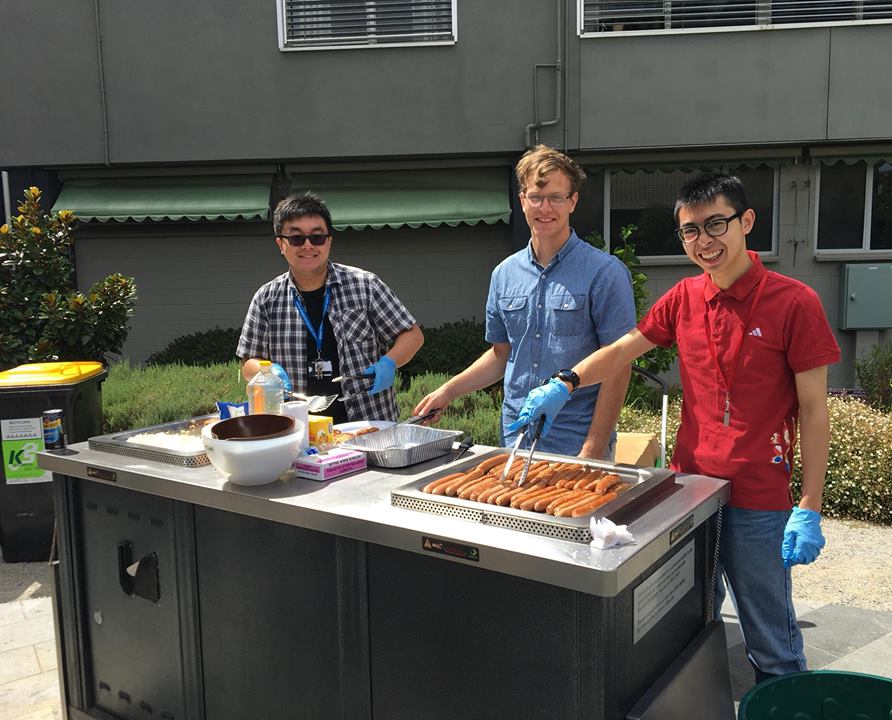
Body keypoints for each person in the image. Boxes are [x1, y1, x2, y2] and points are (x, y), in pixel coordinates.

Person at [512, 172, 840, 682]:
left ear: (746, 221)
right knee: (687, 627)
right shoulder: (684, 298)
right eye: (690, 231)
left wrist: (810, 504)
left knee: (771, 643)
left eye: (716, 225)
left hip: (758, 498)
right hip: (690, 491)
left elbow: (815, 409)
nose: (704, 241)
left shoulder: (794, 302)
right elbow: (623, 349)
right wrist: (567, 381)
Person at [414, 145, 636, 459]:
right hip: (516, 437)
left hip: (576, 442)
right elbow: (502, 355)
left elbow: (619, 364)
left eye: (556, 197)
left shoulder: (604, 272)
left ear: (573, 201)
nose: (545, 208)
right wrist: (448, 390)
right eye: (536, 197)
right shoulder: (503, 274)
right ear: (522, 201)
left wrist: (594, 448)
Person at [237, 192, 423, 423]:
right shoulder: (266, 298)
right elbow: (248, 363)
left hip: (368, 424)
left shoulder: (365, 285)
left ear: (329, 241)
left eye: (317, 237)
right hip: (297, 431)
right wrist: (267, 372)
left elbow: (413, 335)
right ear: (281, 244)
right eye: (296, 238)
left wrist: (389, 362)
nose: (307, 245)